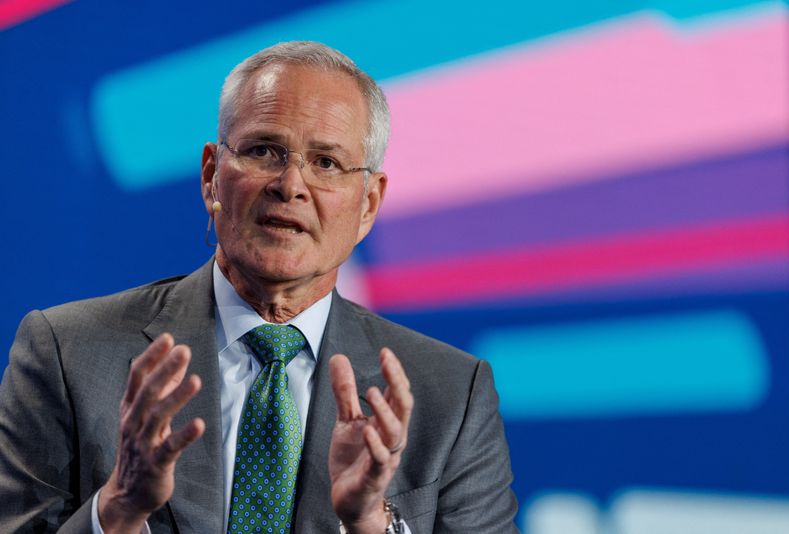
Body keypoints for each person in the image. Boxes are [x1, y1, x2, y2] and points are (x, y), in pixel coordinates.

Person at [0, 41, 518, 533]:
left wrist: (368, 523)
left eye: (326, 162)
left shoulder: (452, 397)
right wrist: (117, 509)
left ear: (368, 204)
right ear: (211, 175)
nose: (290, 184)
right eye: (265, 151)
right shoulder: (67, 353)